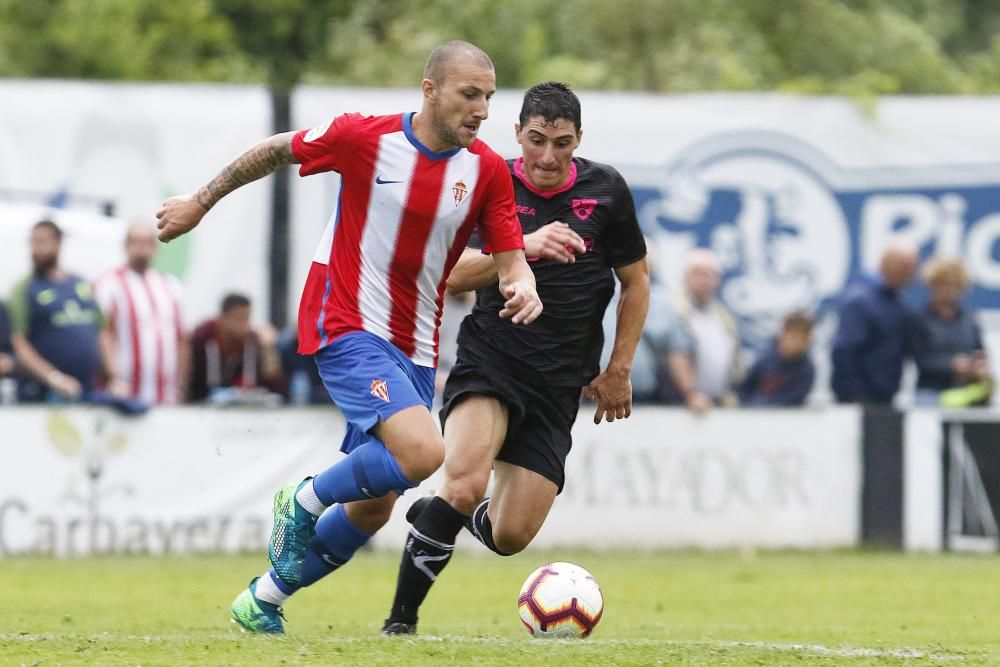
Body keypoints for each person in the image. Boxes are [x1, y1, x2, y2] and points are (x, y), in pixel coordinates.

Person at [154, 41, 540, 634]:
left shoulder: (486, 170)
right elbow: (276, 150)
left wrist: (523, 285)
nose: (483, 109)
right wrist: (200, 202)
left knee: (371, 506)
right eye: (470, 94)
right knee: (424, 453)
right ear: (430, 89)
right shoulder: (365, 137)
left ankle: (263, 599)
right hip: (345, 321)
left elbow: (510, 260)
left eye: (488, 97)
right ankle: (303, 500)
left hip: (415, 344)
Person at [380, 81, 649, 635]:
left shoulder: (608, 191)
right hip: (492, 361)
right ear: (517, 133)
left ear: (579, 140)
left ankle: (440, 519)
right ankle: (400, 623)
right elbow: (448, 277)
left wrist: (619, 368)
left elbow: (636, 281)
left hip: (558, 384)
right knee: (462, 484)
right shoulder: (483, 180)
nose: (547, 156)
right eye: (536, 140)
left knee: (510, 537)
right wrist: (523, 244)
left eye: (562, 143)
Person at [8, 220, 114, 402]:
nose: (36, 249)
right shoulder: (24, 288)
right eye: (33, 242)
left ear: (58, 244)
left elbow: (102, 333)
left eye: (42, 242)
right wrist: (54, 378)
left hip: (86, 390)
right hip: (42, 394)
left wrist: (115, 377)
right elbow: (19, 343)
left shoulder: (80, 284)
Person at [94, 221, 188, 404]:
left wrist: (181, 385)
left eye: (147, 242)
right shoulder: (109, 284)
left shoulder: (171, 286)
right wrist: (113, 376)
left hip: (165, 395)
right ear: (126, 246)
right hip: (124, 393)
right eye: (136, 242)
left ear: (156, 247)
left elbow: (181, 339)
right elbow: (103, 334)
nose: (142, 248)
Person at [830, 239, 918, 405]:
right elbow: (844, 349)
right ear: (888, 264)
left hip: (883, 398)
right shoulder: (861, 300)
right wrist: (853, 394)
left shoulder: (896, 302)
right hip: (859, 400)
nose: (912, 275)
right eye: (907, 268)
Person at [662, 249, 742, 411]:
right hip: (678, 404)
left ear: (717, 279)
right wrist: (690, 393)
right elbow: (675, 355)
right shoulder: (674, 311)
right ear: (685, 277)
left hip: (717, 402)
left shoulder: (724, 318)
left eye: (708, 274)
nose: (703, 279)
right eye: (697, 273)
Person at [911, 258, 991, 406]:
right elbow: (921, 358)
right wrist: (952, 365)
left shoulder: (969, 319)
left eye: (953, 285)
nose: (947, 290)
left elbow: (979, 350)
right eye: (942, 285)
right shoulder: (920, 319)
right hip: (931, 391)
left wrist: (977, 366)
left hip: (965, 391)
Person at [187, 293, 285, 403]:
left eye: (247, 319)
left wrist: (268, 349)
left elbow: (274, 384)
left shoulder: (252, 341)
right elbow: (189, 382)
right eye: (239, 319)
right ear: (222, 318)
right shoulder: (201, 338)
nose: (245, 325)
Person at [738, 311, 815, 406]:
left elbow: (792, 400)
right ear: (782, 335)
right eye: (792, 337)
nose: (794, 342)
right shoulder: (764, 359)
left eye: (799, 338)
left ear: (807, 340)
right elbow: (744, 389)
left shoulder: (806, 370)